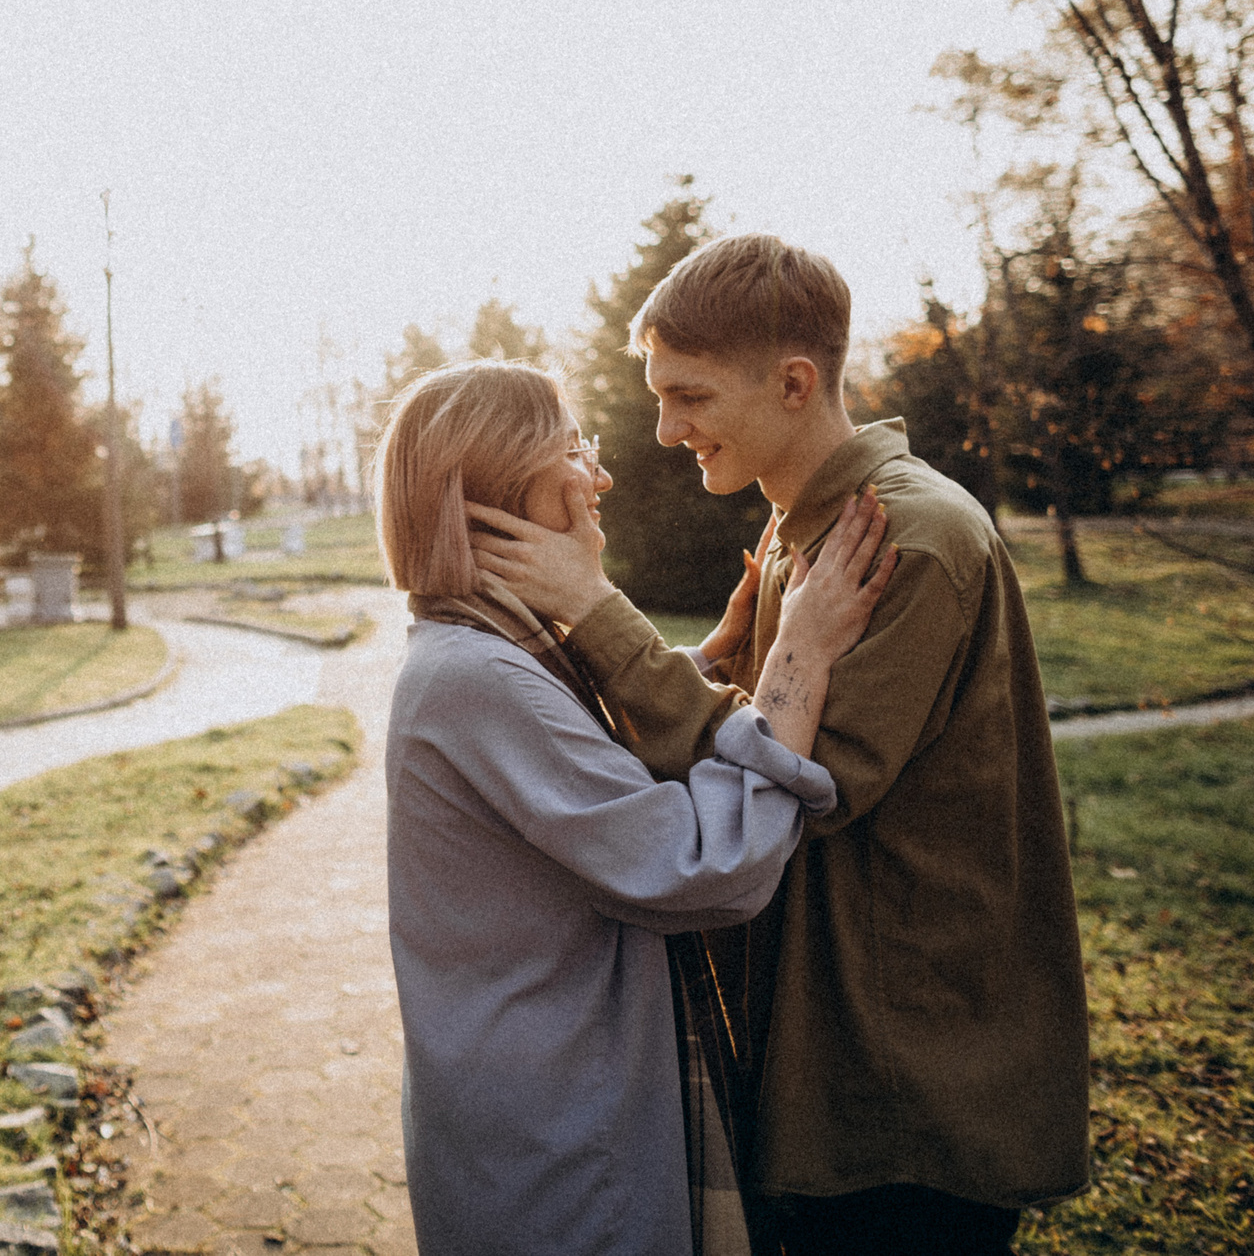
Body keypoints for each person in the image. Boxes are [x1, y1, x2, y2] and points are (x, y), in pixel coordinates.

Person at [468, 235, 1091, 1255]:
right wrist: (704, 664)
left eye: (692, 396)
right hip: (837, 1064)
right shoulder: (804, 531)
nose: (666, 430)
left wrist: (595, 612)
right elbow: (749, 737)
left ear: (795, 382)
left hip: (912, 1094)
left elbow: (799, 780)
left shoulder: (907, 540)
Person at [380, 359, 895, 1256]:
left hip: (536, 1113)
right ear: (505, 484)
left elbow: (579, 767)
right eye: (577, 448)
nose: (604, 474)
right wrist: (797, 661)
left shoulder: (478, 651)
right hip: (561, 1151)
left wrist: (694, 670)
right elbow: (703, 865)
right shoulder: (479, 678)